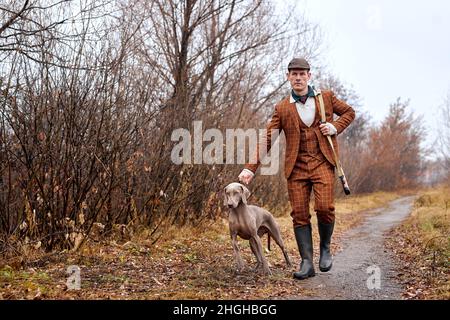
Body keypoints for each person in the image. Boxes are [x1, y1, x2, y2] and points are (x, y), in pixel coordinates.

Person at [238, 58, 355, 280]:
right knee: (299, 215)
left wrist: (335, 127)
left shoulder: (326, 98)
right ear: (288, 77)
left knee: (324, 207)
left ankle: (326, 249)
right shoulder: (282, 108)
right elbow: (267, 139)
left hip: (323, 162)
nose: (298, 78)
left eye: (302, 74)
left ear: (309, 76)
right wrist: (250, 168)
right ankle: (307, 263)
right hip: (297, 169)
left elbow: (349, 113)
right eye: (294, 74)